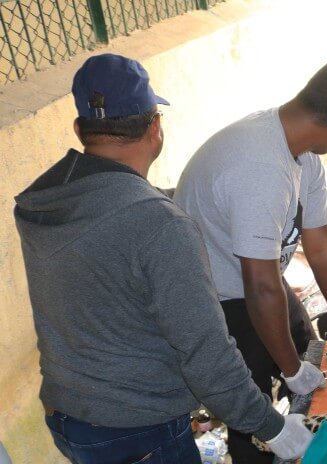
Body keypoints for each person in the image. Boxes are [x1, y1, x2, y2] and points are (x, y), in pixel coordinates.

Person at [13, 54, 311, 463]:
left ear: (81, 129)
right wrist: (271, 427)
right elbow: (207, 353)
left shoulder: (41, 201)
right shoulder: (160, 226)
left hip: (69, 415)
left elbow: (106, 236)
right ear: (155, 127)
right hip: (138, 428)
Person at [174, 59, 327, 463]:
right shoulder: (259, 167)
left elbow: (320, 244)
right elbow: (259, 286)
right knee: (252, 417)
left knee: (314, 362)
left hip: (263, 283)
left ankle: (316, 440)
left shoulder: (301, 153)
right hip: (219, 301)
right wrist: (289, 369)